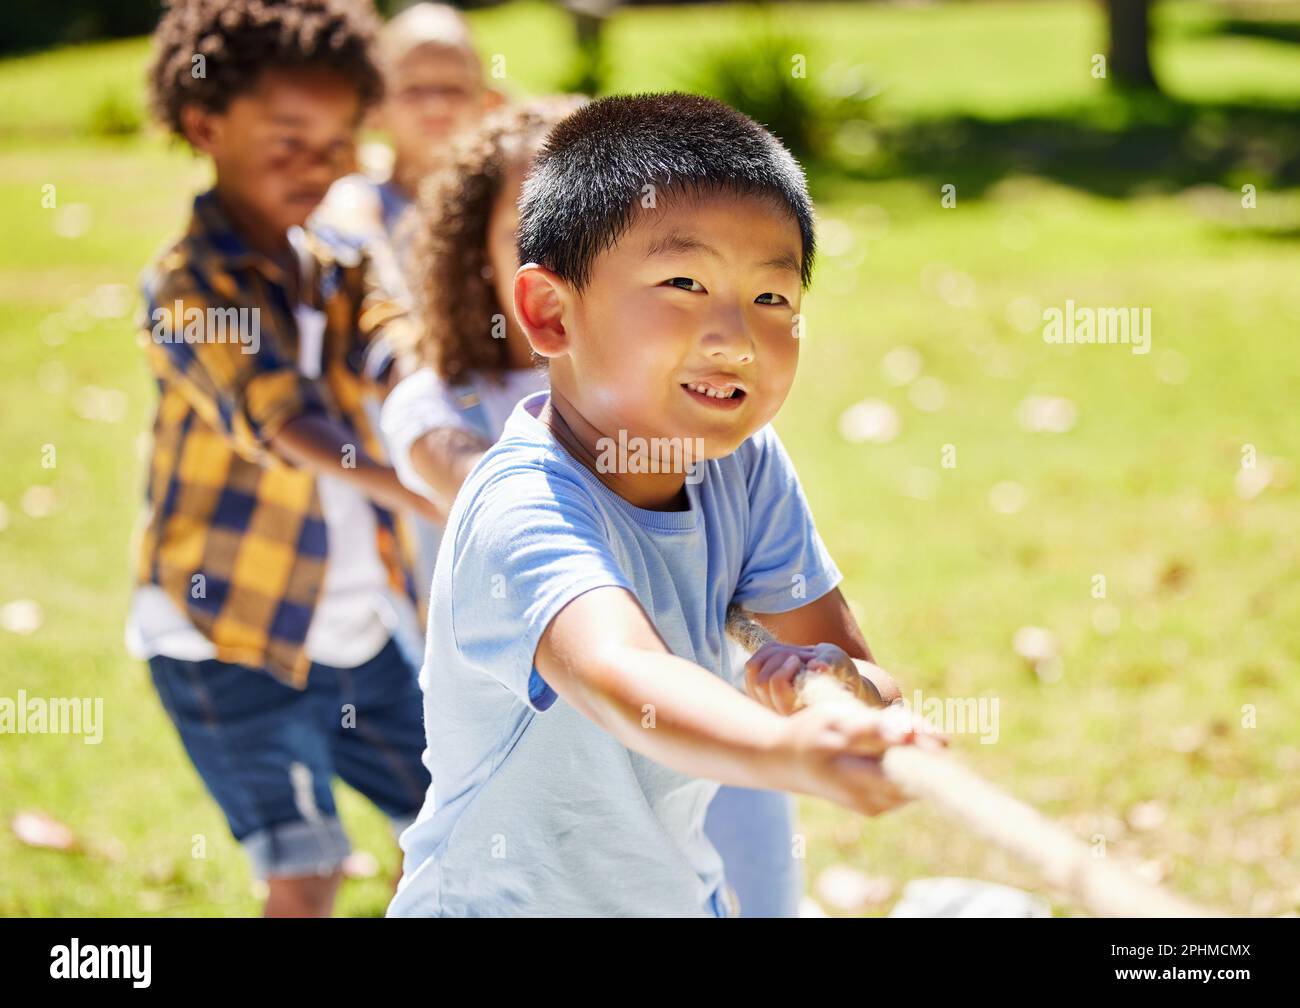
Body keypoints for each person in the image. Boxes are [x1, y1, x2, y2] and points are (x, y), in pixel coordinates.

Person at [388, 93, 940, 918]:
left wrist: (853, 705)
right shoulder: (521, 504)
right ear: (549, 311)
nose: (735, 337)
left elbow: (847, 663)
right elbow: (626, 677)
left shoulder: (743, 467)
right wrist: (789, 748)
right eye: (683, 282)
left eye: (773, 299)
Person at [130, 0, 434, 918]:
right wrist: (419, 487)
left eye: (340, 139)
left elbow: (397, 341)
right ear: (205, 124)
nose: (320, 161)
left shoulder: (340, 259)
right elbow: (281, 419)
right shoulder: (190, 282)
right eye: (291, 136)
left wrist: (445, 389)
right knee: (307, 871)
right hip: (226, 638)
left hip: (356, 629)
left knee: (456, 815)